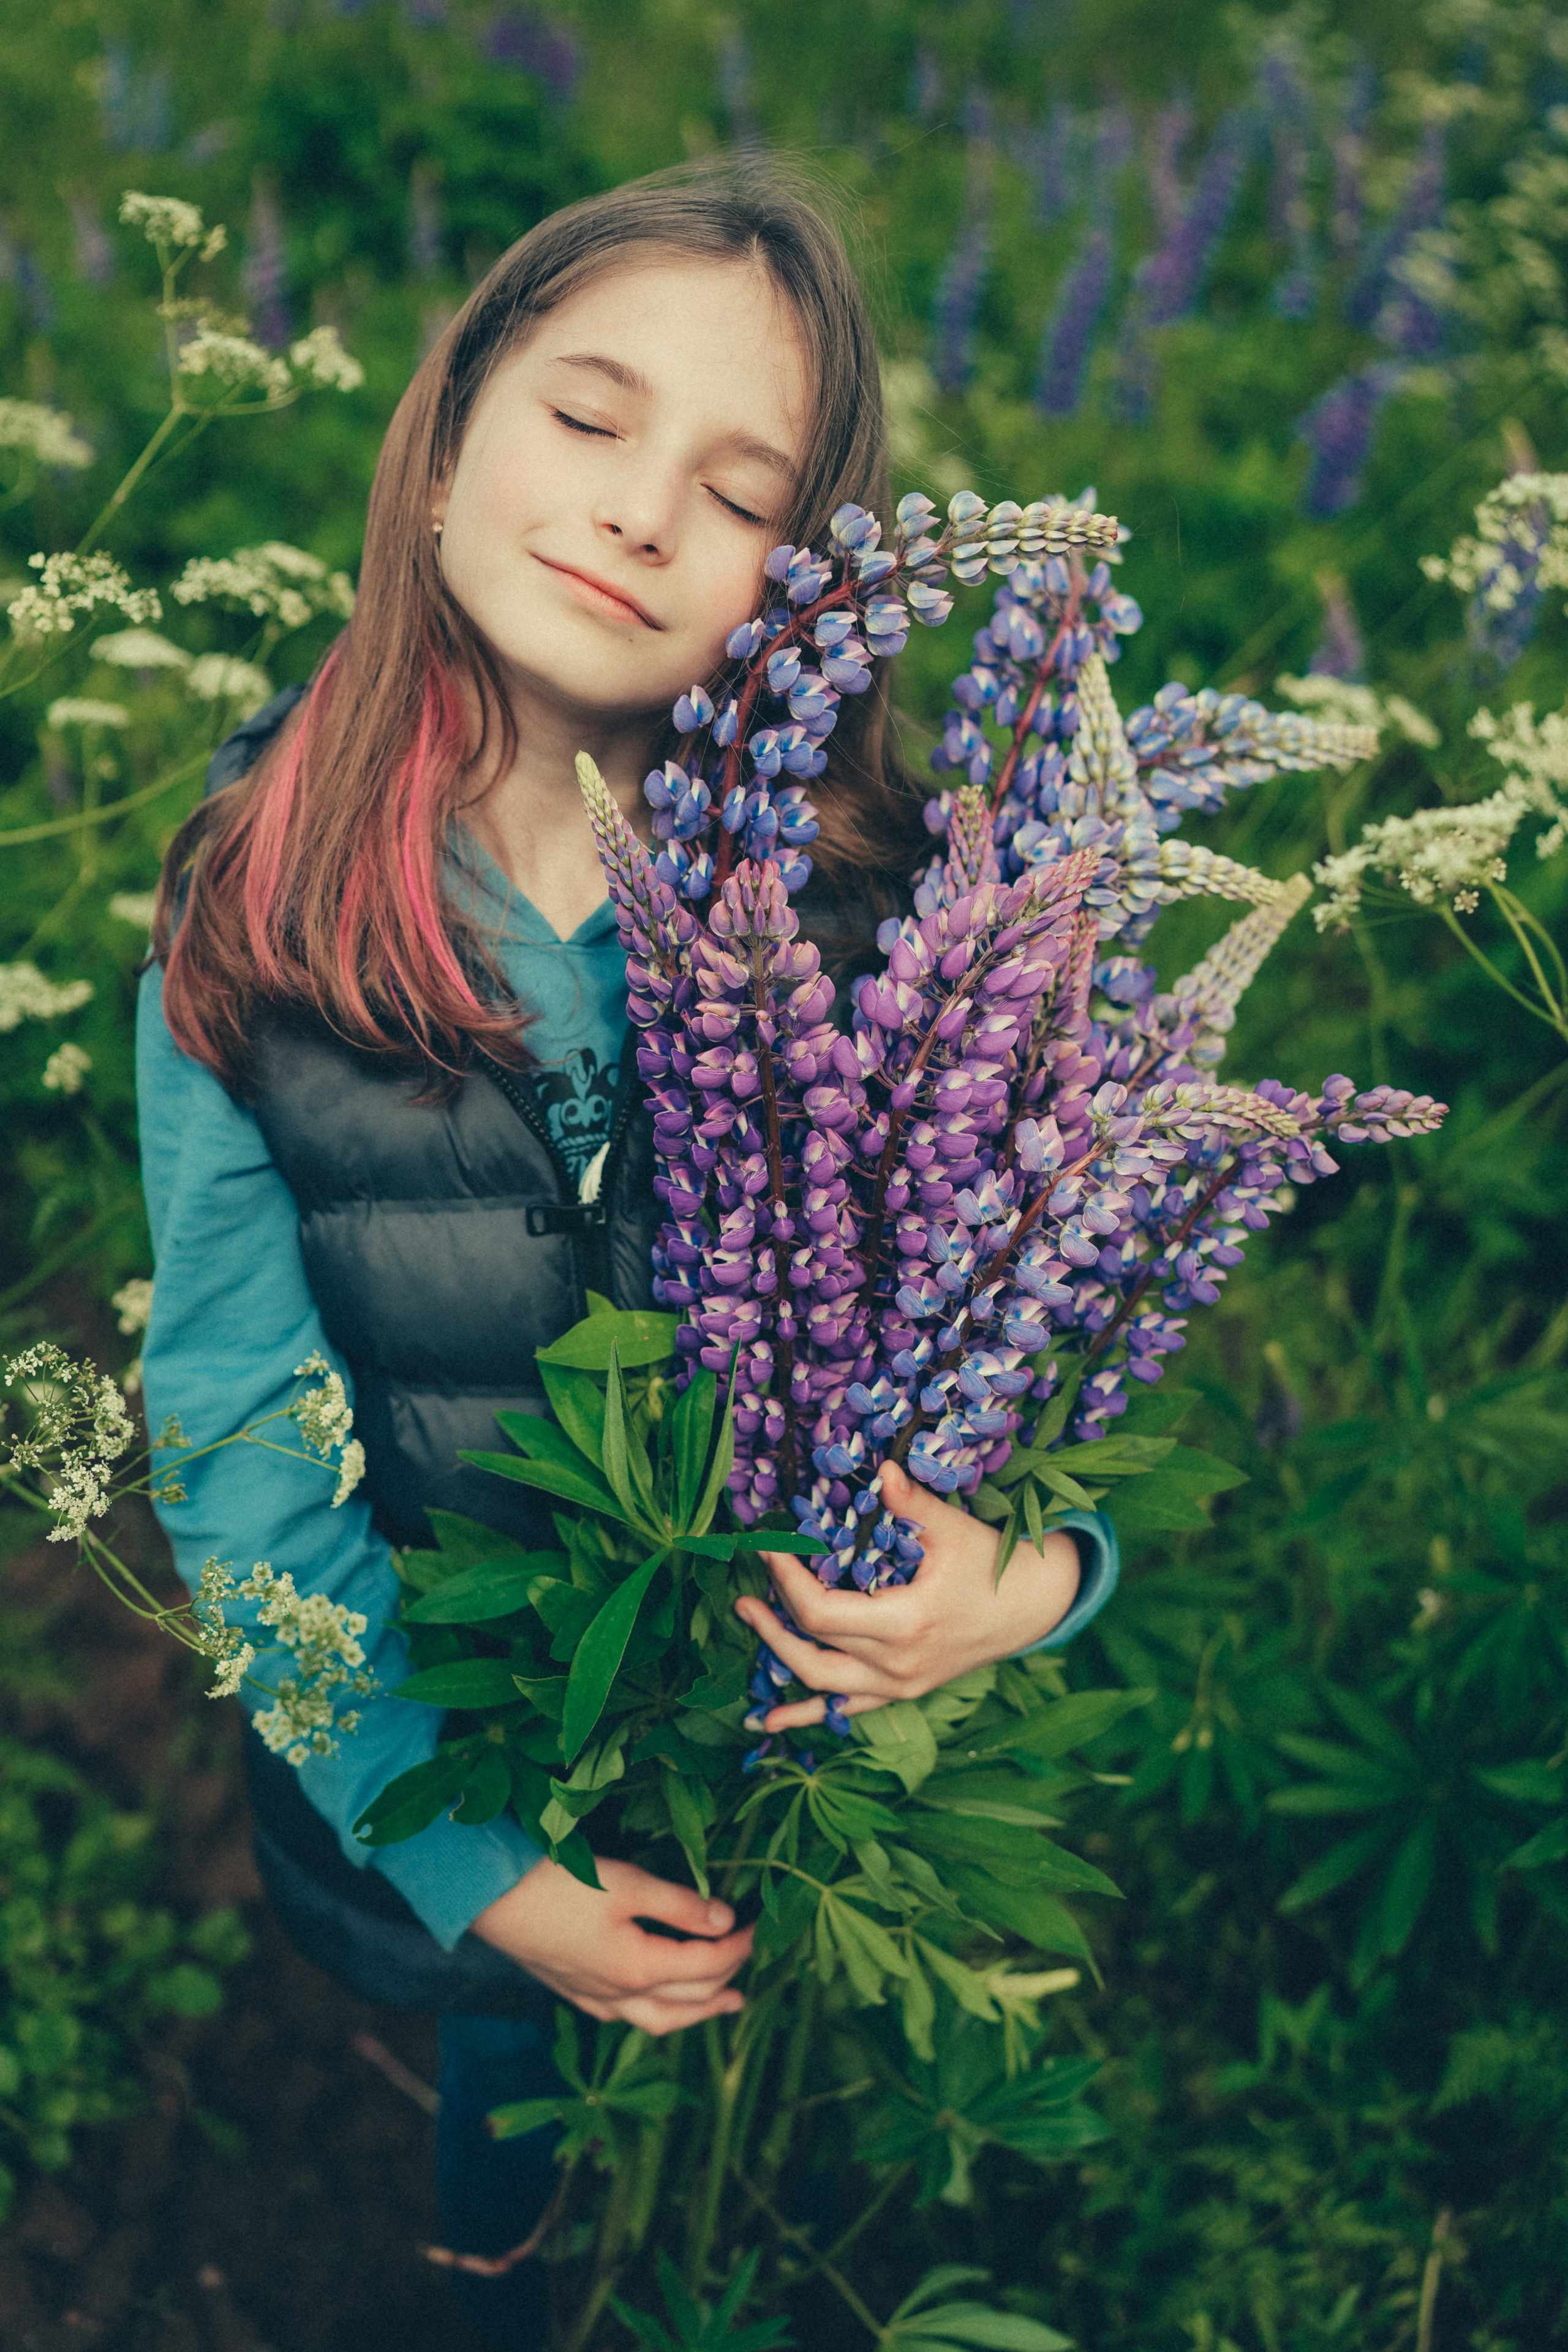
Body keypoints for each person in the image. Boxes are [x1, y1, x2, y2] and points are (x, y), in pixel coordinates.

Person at [139, 159, 1120, 2344]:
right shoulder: (259, 903)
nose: (641, 510)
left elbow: (1063, 1327)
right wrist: (477, 1871)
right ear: (448, 431)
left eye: (742, 492)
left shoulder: (888, 921)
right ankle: (490, 2283)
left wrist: (1033, 1583)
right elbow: (233, 1440)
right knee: (505, 2107)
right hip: (462, 1738)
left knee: (749, 2163)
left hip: (775, 1756)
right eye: (590, 417)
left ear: (814, 588)